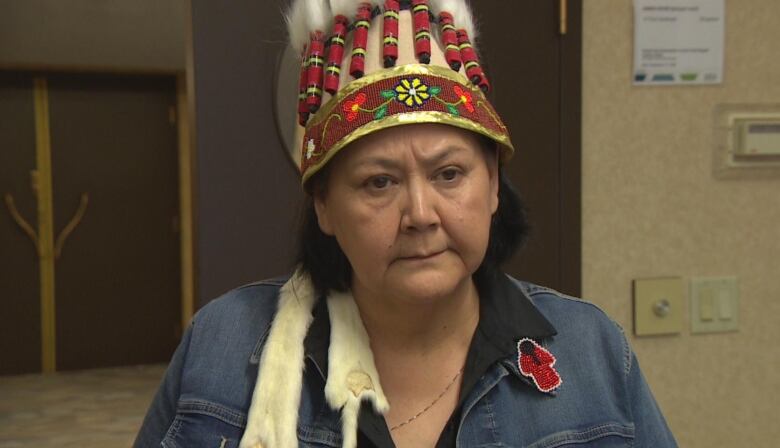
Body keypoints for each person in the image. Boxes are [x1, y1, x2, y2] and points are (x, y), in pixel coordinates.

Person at [134, 1, 677, 447]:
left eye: (448, 174)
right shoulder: (222, 346)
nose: (420, 215)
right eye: (379, 182)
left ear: (491, 185)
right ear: (324, 205)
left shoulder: (590, 352)